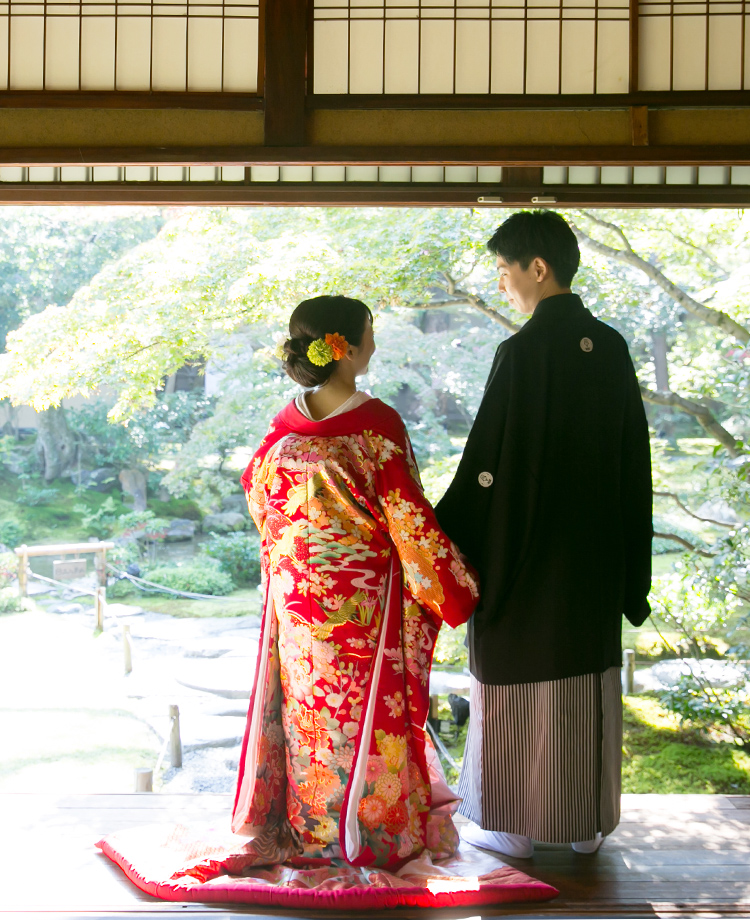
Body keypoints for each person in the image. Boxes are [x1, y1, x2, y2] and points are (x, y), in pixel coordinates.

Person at [232, 295, 479, 871]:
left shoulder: (281, 430)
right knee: (363, 716)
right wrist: (456, 585)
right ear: (344, 347)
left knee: (309, 718)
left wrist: (303, 557)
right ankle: (370, 835)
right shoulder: (377, 424)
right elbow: (409, 519)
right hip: (363, 605)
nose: (375, 342)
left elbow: (259, 497)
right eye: (370, 332)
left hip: (297, 606)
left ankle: (311, 831)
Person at [435, 211, 652, 858]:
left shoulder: (523, 352)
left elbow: (487, 469)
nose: (503, 285)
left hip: (525, 558)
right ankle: (584, 823)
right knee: (585, 678)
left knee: (517, 671)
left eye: (505, 272)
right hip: (592, 557)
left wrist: (445, 536)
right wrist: (629, 564)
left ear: (538, 267)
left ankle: (512, 827)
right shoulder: (609, 345)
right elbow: (632, 460)